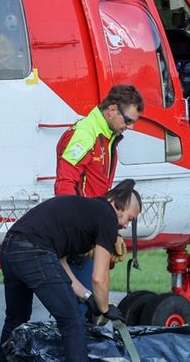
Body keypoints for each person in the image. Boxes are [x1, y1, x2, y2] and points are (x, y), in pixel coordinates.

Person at [0, 180, 143, 362]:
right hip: (34, 250)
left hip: (11, 248)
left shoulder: (84, 211)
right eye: (130, 218)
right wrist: (104, 308)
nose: (126, 225)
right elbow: (99, 276)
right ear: (117, 205)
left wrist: (87, 298)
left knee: (16, 318)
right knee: (72, 321)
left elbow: (60, 263)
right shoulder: (106, 215)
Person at [54, 85, 144, 301]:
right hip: (79, 238)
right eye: (128, 120)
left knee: (87, 307)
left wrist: (108, 230)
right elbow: (65, 184)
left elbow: (98, 193)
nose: (130, 127)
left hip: (89, 232)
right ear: (112, 109)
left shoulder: (107, 136)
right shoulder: (86, 133)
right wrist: (75, 232)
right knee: (84, 308)